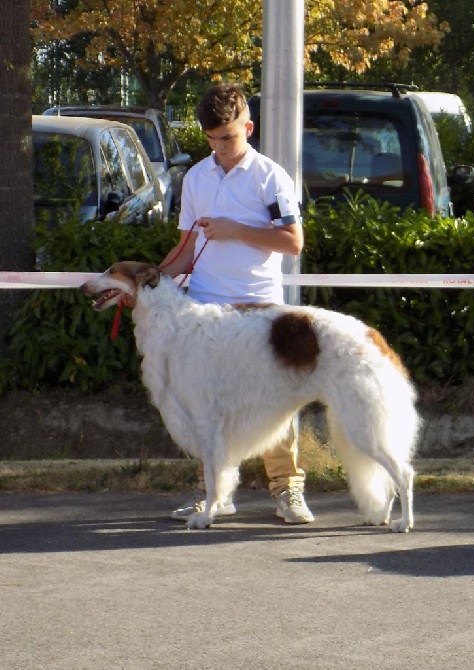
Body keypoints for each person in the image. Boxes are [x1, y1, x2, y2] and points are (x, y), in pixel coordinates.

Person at [160, 82, 314, 524]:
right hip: (206, 312)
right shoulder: (194, 179)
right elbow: (185, 251)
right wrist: (148, 284)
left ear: (249, 126)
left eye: (228, 137)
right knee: (209, 406)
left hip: (261, 309)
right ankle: (216, 495)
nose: (222, 148)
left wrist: (235, 229)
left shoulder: (271, 176)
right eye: (212, 140)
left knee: (278, 400)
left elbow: (293, 242)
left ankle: (288, 491)